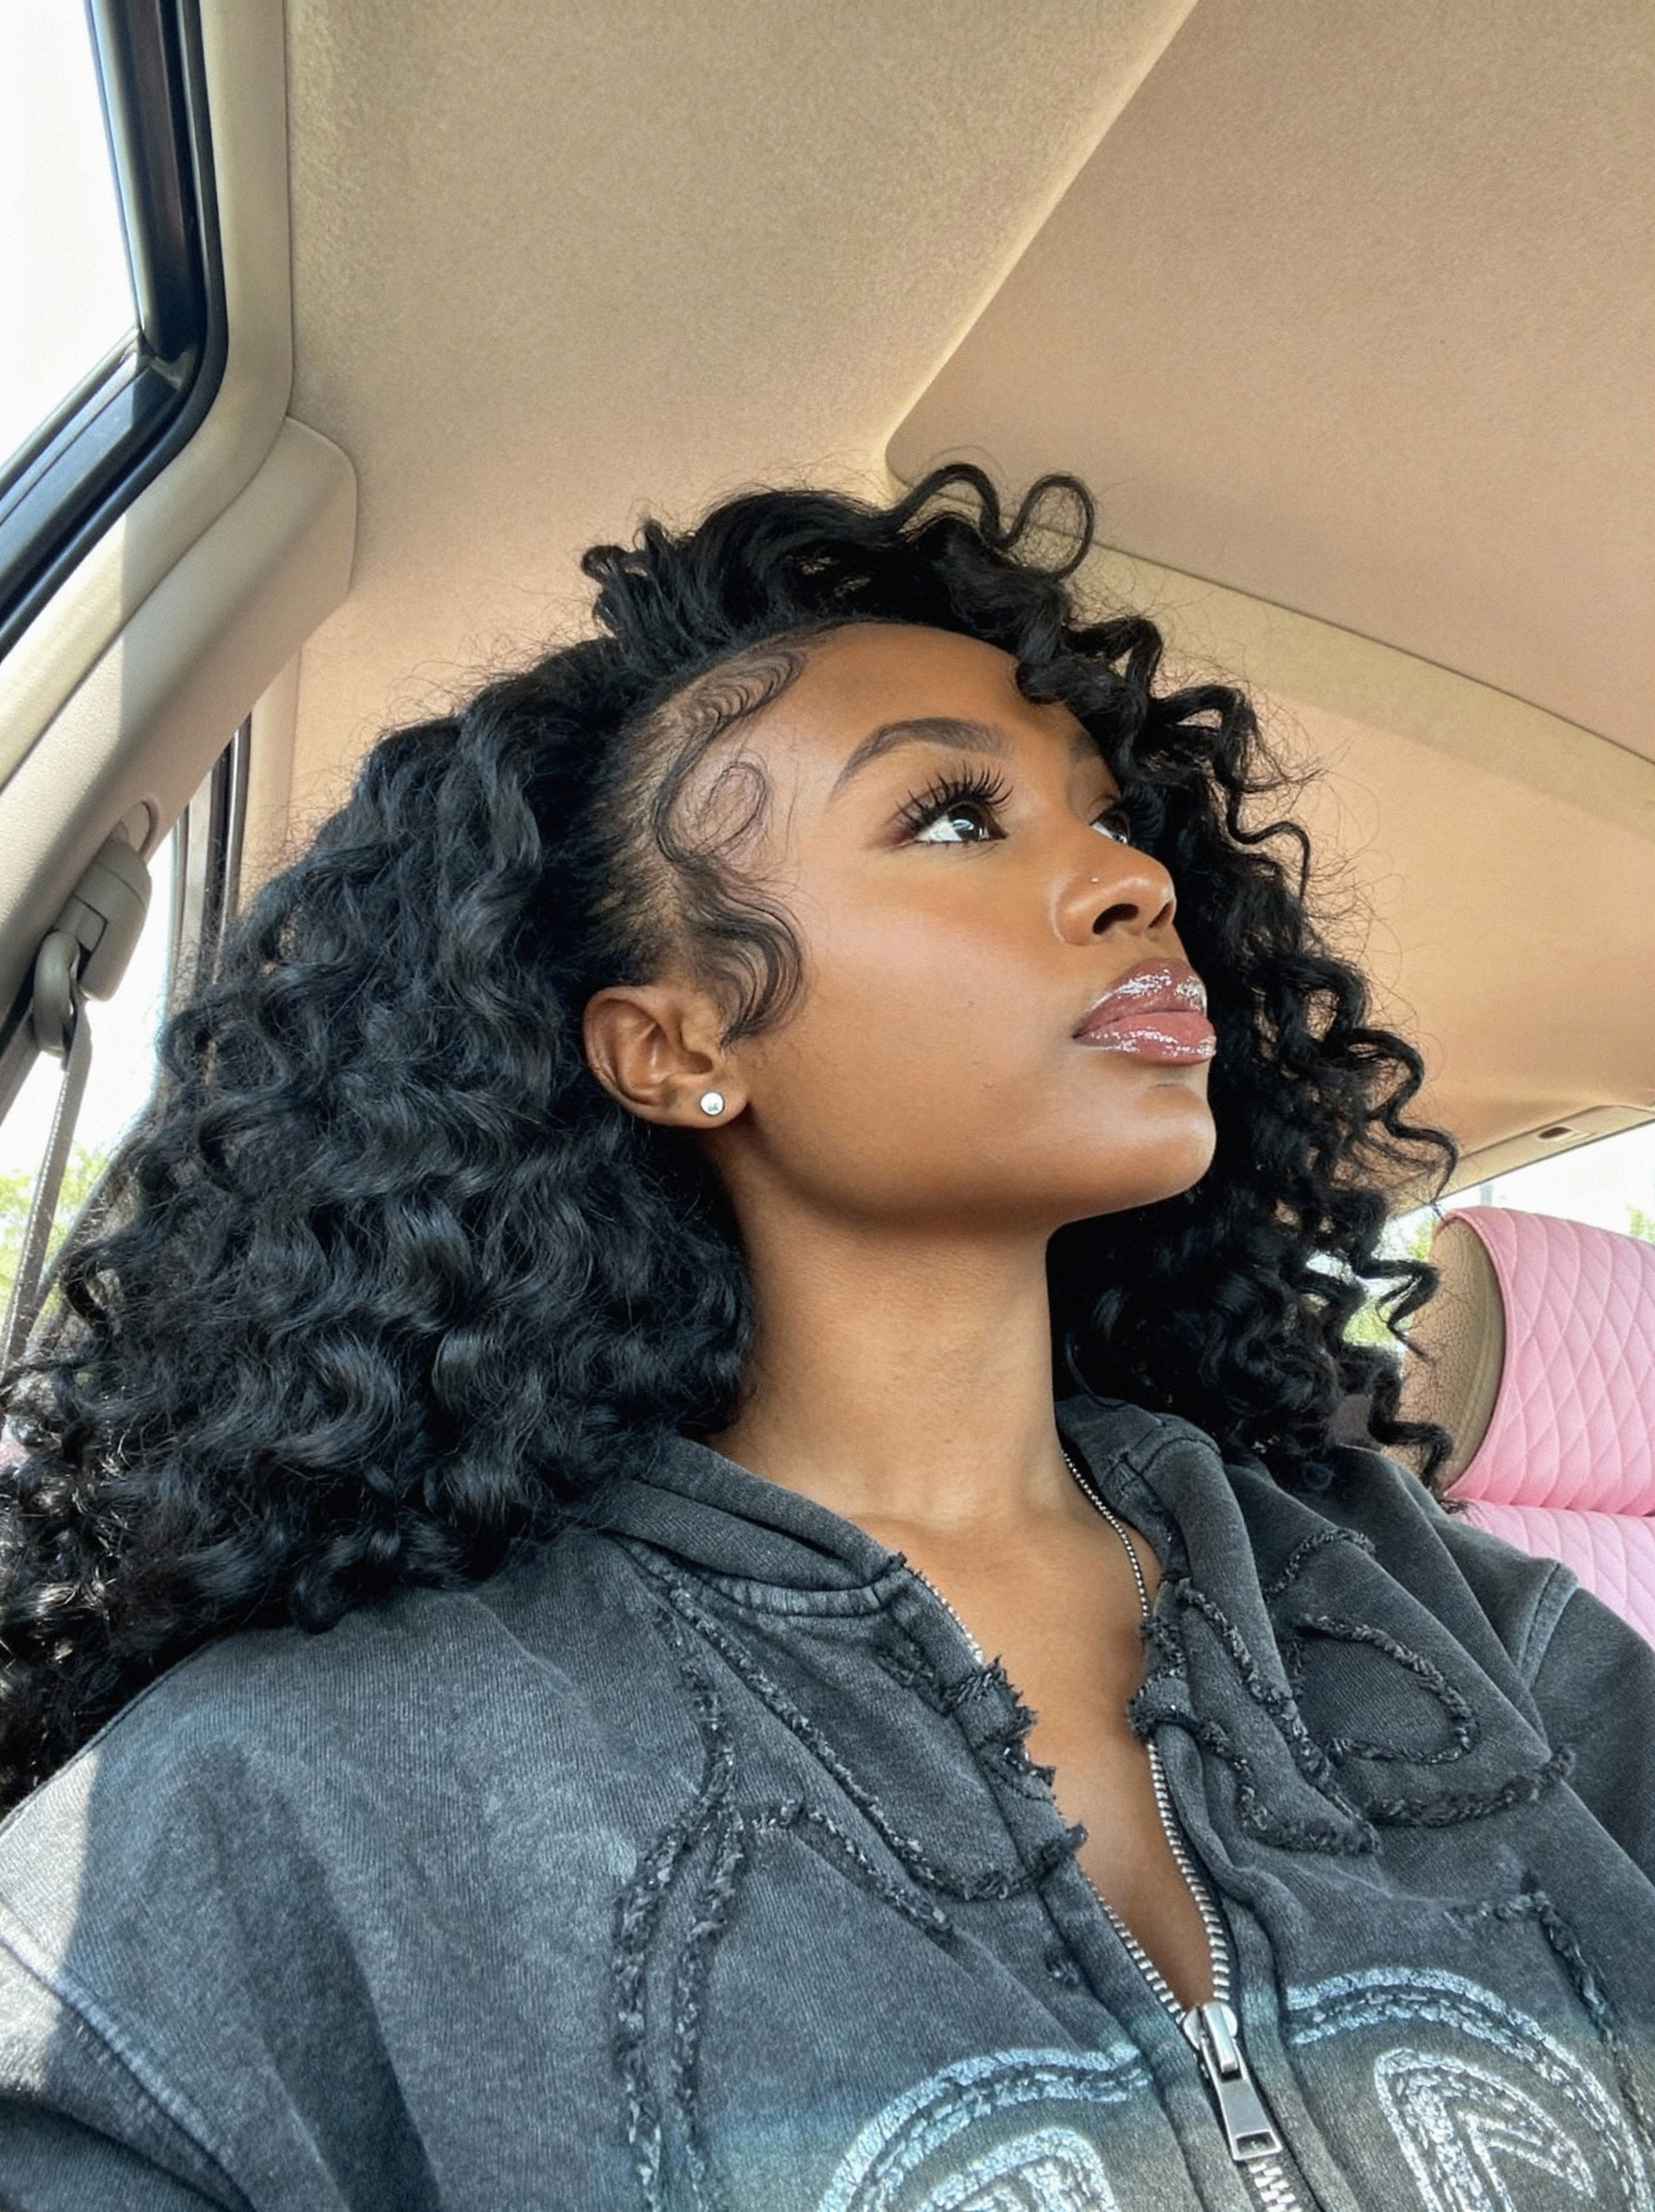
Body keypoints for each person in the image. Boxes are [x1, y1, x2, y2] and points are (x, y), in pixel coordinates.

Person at [0, 468, 1650, 2211]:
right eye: (950, 816)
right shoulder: (311, 1786)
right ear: (677, 1040)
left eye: (1106, 814)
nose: (1121, 878)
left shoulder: (1442, 1612)